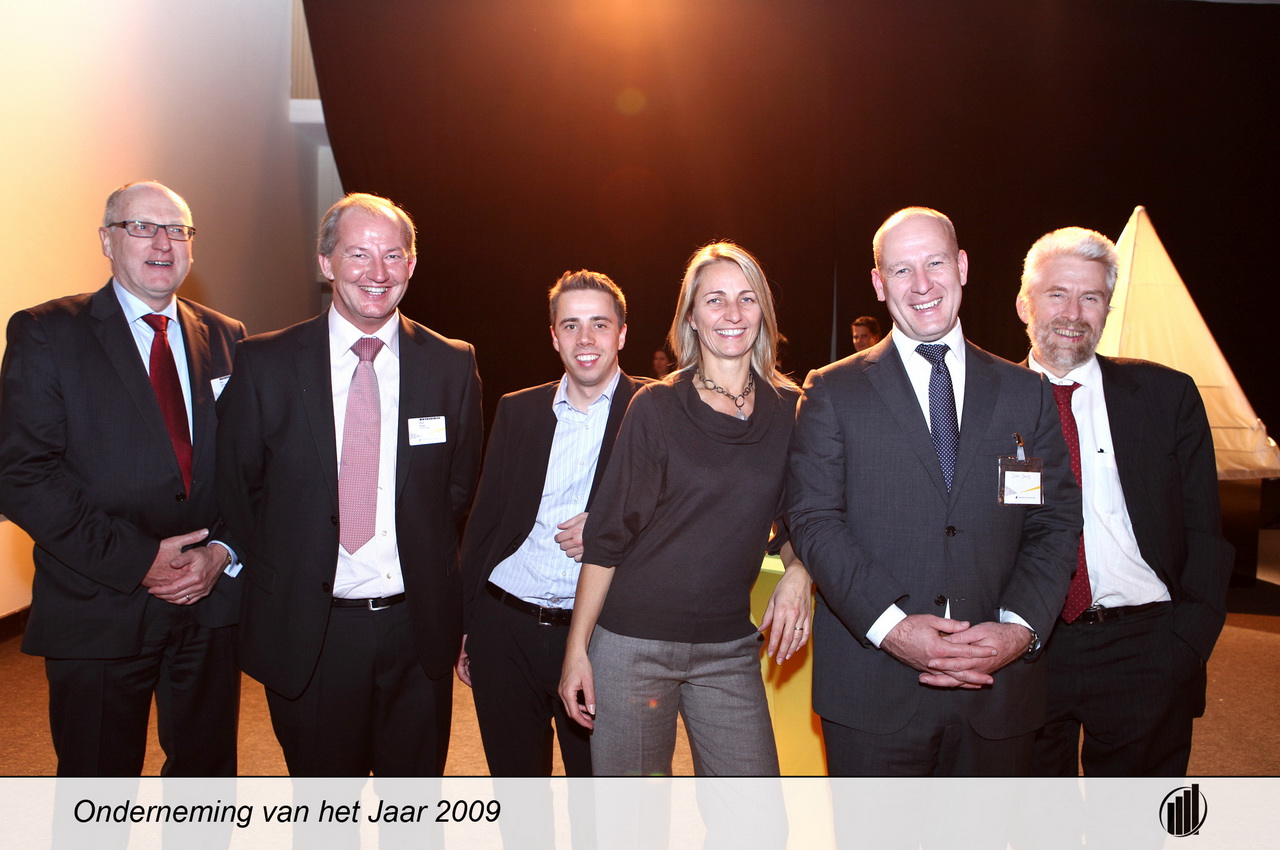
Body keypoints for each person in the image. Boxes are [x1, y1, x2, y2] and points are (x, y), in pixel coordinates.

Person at [786, 207, 1082, 775]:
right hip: (872, 694)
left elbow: (1052, 522)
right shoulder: (831, 391)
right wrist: (893, 628)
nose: (921, 285)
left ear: (962, 267)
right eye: (901, 270)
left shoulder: (1026, 393)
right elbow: (815, 520)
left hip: (998, 693)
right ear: (879, 284)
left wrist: (1018, 630)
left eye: (935, 263)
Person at [216, 192, 482, 776]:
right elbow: (238, 489)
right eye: (359, 253)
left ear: (412, 265)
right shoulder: (265, 363)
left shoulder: (451, 364)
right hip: (312, 632)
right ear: (326, 263)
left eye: (393, 255)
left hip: (416, 632)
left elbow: (457, 491)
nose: (377, 272)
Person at [0, 181, 244, 776]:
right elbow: (22, 475)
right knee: (98, 789)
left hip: (207, 603)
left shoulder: (229, 336)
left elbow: (251, 467)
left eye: (177, 230)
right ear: (107, 240)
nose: (163, 243)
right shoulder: (47, 332)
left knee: (207, 782)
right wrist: (139, 561)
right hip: (99, 604)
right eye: (142, 227)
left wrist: (222, 550)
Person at [559, 241, 812, 776]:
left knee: (755, 814)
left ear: (763, 311)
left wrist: (799, 573)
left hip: (729, 647)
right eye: (715, 300)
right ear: (692, 316)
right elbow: (607, 539)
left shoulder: (791, 411)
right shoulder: (657, 405)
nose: (732, 313)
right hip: (631, 646)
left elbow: (799, 521)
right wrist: (577, 649)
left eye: (746, 298)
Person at [1015, 226, 1233, 775]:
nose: (1073, 313)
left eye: (1091, 297)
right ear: (1024, 305)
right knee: (1032, 815)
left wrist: (1186, 643)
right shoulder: (984, 406)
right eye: (1057, 294)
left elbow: (1206, 531)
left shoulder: (1166, 397)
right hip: (1028, 648)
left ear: (1106, 310)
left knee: (1133, 817)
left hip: (1147, 648)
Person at [458, 269, 648, 776]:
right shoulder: (518, 410)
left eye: (599, 324)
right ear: (553, 336)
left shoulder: (654, 410)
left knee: (599, 797)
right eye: (571, 325)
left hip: (600, 637)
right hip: (504, 627)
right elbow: (485, 523)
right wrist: (467, 624)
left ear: (621, 334)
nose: (585, 339)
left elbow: (683, 515)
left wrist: (609, 526)